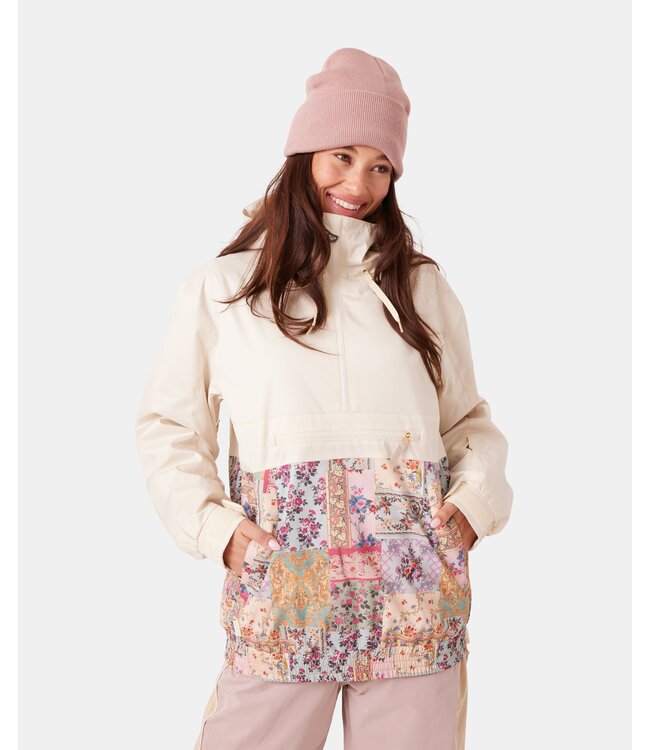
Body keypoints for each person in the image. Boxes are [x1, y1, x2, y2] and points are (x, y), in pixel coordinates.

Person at [135, 47, 513, 750]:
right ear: (305, 152)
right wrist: (215, 530)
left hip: (414, 589)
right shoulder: (224, 289)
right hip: (288, 581)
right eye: (342, 155)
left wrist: (473, 503)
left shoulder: (420, 288)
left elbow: (468, 424)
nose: (358, 183)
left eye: (380, 166)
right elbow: (169, 428)